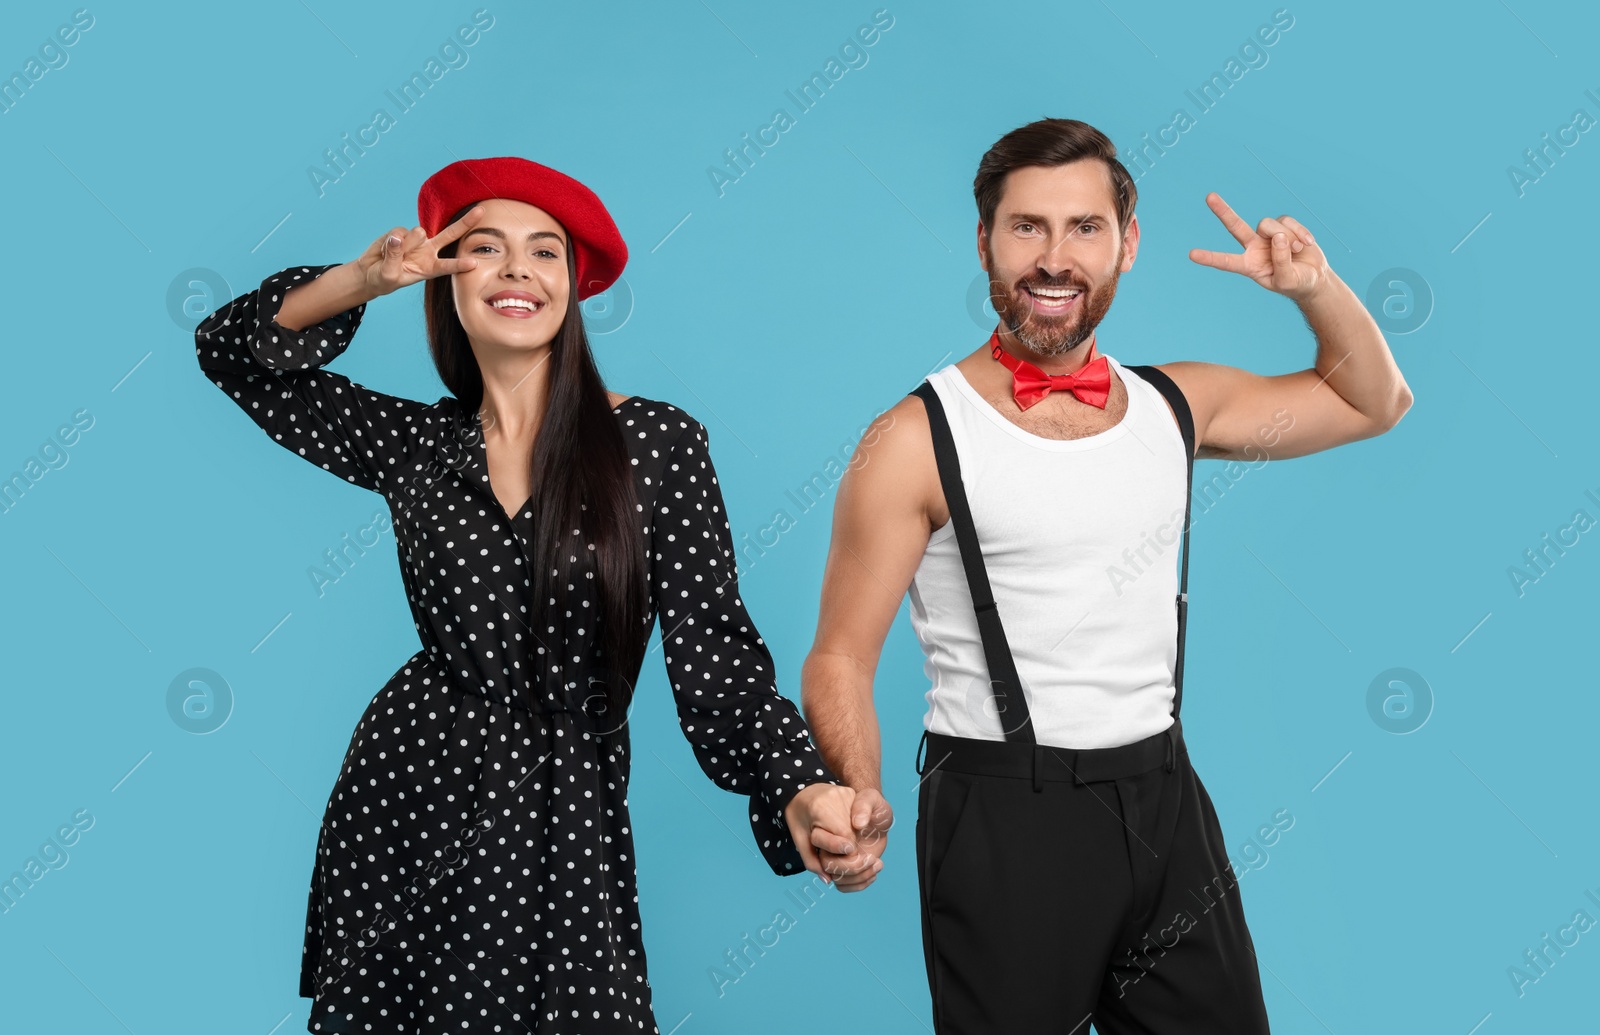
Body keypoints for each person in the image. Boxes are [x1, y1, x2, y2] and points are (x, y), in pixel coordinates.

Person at [194, 155, 871, 1034]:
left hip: (566, 813)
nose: (518, 269)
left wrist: (800, 787)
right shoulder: (414, 445)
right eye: (486, 247)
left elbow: (718, 663)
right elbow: (229, 353)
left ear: (572, 287)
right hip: (406, 800)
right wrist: (365, 279)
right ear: (447, 278)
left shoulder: (657, 445)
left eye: (545, 252)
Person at [801, 118, 1414, 1032]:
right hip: (1004, 814)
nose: (1055, 259)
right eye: (1027, 228)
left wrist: (1312, 289)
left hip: (1166, 800)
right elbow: (841, 655)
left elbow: (1372, 399)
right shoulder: (912, 440)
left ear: (1128, 243)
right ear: (984, 243)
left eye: (1085, 228)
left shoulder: (1176, 404)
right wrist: (858, 787)